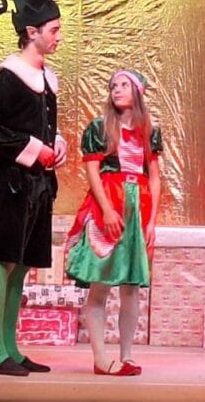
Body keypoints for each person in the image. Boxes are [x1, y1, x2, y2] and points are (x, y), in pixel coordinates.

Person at [0, 0, 67, 377]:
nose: (58, 36)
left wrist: (56, 144)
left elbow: (45, 126)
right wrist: (33, 149)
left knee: (24, 264)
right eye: (54, 30)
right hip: (13, 184)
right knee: (4, 260)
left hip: (39, 186)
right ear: (32, 32)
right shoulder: (9, 77)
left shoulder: (47, 79)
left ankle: (11, 348)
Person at [65, 69, 162, 376]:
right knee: (101, 283)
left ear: (138, 92)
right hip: (110, 201)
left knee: (131, 287)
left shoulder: (149, 131)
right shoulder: (99, 127)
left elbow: (154, 176)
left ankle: (127, 355)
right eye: (113, 86)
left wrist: (151, 221)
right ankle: (100, 358)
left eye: (123, 85)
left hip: (138, 207)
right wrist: (106, 209)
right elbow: (93, 172)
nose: (116, 90)